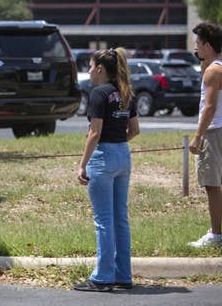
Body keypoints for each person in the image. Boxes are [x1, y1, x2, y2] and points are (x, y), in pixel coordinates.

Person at [74, 48, 139, 292]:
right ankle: (123, 274)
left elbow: (95, 132)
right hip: (123, 154)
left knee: (103, 220)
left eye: (90, 66)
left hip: (103, 156)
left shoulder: (99, 93)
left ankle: (102, 277)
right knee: (120, 218)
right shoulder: (125, 92)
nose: (89, 71)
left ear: (100, 68)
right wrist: (117, 145)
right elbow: (134, 130)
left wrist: (82, 164)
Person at [188, 22, 222, 248]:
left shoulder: (213, 71)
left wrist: (198, 136)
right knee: (213, 185)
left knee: (211, 186)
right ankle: (216, 232)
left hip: (213, 132)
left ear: (207, 45)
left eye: (198, 43)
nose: (195, 46)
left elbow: (209, 107)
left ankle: (216, 236)